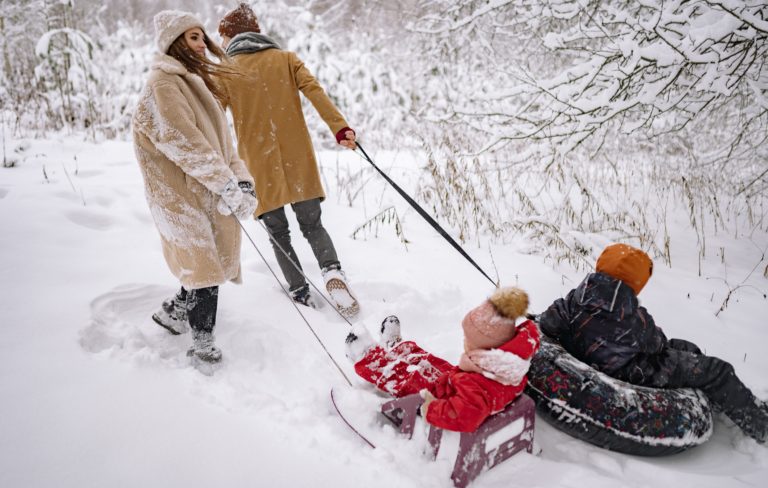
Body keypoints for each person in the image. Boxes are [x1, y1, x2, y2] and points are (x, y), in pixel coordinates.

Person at [538, 243, 768, 443]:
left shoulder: (573, 299)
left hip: (594, 359)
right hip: (633, 372)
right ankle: (760, 424)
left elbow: (548, 322)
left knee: (682, 347)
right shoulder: (632, 317)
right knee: (716, 370)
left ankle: (713, 402)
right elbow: (657, 344)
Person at [132, 10, 257, 365]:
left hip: (203, 187)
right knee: (205, 267)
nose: (202, 44)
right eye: (193, 38)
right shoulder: (163, 84)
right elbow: (186, 144)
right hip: (176, 194)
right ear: (175, 42)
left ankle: (174, 312)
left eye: (202, 37)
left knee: (207, 259)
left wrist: (242, 181)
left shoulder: (195, 82)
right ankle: (203, 346)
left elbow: (223, 146)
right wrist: (225, 185)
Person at [217, 3, 359, 316]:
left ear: (230, 36)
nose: (222, 45)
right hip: (298, 160)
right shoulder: (286, 59)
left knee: (278, 234)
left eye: (222, 38)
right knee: (313, 224)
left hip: (259, 166)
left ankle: (300, 291)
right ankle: (332, 270)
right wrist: (341, 129)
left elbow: (214, 118)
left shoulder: (226, 71)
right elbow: (315, 92)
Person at [346, 287, 540, 432]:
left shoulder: (477, 386)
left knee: (405, 378)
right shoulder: (507, 365)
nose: (465, 343)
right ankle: (397, 349)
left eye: (469, 341)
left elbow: (464, 415)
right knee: (429, 362)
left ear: (487, 348)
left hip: (443, 400)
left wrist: (430, 408)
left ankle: (370, 358)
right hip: (456, 385)